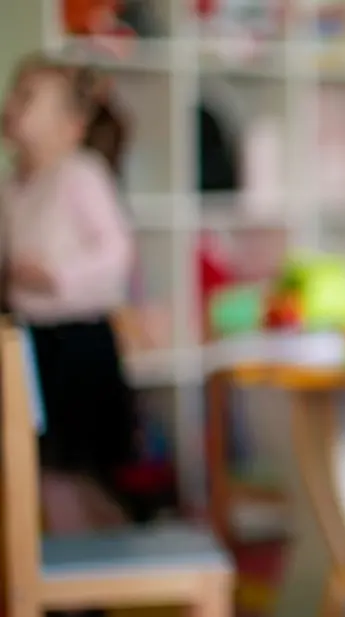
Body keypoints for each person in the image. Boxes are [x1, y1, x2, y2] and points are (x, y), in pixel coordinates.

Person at [0, 55, 141, 533]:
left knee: (69, 474)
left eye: (27, 98)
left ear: (71, 125)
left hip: (78, 344)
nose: (12, 105)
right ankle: (76, 585)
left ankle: (83, 589)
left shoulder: (80, 175)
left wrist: (56, 274)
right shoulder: (13, 187)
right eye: (13, 94)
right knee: (43, 472)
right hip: (30, 343)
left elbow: (116, 250)